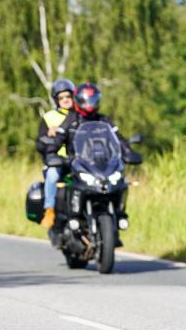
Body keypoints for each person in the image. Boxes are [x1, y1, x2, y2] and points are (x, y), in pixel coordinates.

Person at [48, 82, 141, 225]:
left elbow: (119, 139)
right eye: (85, 100)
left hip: (102, 165)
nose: (89, 104)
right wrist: (52, 152)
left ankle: (120, 214)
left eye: (92, 100)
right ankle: (58, 215)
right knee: (61, 184)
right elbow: (58, 140)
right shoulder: (71, 120)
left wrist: (128, 153)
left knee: (121, 183)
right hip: (77, 164)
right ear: (78, 100)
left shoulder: (104, 120)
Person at [35, 79, 74, 228]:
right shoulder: (49, 117)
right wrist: (50, 138)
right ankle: (49, 210)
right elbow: (39, 144)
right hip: (57, 161)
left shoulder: (80, 115)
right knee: (52, 175)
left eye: (68, 96)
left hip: (77, 160)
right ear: (56, 100)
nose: (65, 100)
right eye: (61, 97)